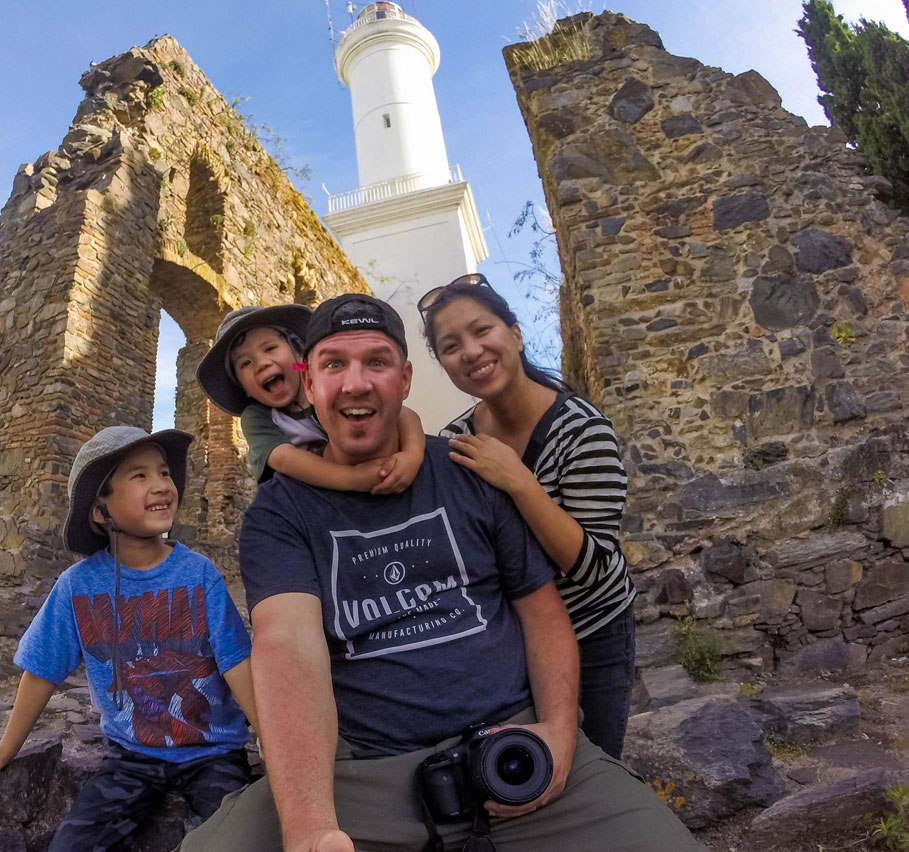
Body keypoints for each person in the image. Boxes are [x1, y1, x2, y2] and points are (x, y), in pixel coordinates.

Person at [180, 294, 702, 852]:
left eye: (377, 362)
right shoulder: (279, 512)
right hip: (366, 773)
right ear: (310, 385)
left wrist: (557, 731)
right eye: (335, 365)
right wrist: (311, 827)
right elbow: (287, 646)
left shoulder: (470, 469)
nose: (356, 383)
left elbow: (542, 607)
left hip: (510, 743)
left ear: (405, 379)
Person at [0, 426, 258, 852]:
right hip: (131, 757)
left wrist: (276, 747)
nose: (162, 485)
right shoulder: (78, 585)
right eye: (139, 476)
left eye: (164, 473)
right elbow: (41, 670)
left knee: (239, 840)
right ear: (100, 510)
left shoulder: (198, 573)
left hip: (214, 752)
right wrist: (3, 750)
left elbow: (238, 663)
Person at [419, 273, 637, 760]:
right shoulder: (457, 441)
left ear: (514, 334)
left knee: (592, 764)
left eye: (482, 331)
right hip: (514, 642)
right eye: (450, 346)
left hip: (592, 631)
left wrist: (518, 479)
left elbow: (592, 564)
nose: (471, 352)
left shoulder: (581, 431)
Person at [196, 304, 424, 491]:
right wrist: (351, 478)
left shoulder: (328, 392)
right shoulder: (257, 417)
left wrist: (412, 456)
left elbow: (403, 414)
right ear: (243, 387)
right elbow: (284, 458)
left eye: (270, 348)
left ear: (299, 356)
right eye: (245, 363)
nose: (262, 363)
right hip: (306, 497)